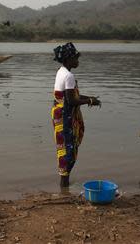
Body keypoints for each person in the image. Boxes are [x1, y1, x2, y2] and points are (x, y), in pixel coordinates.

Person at [51, 42, 101, 187]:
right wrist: (89, 101)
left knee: (63, 147)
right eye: (75, 58)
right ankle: (64, 185)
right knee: (68, 150)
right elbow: (72, 100)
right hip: (65, 116)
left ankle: (64, 184)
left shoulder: (61, 71)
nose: (77, 61)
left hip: (58, 114)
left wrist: (89, 98)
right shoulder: (69, 76)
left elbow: (69, 95)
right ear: (67, 60)